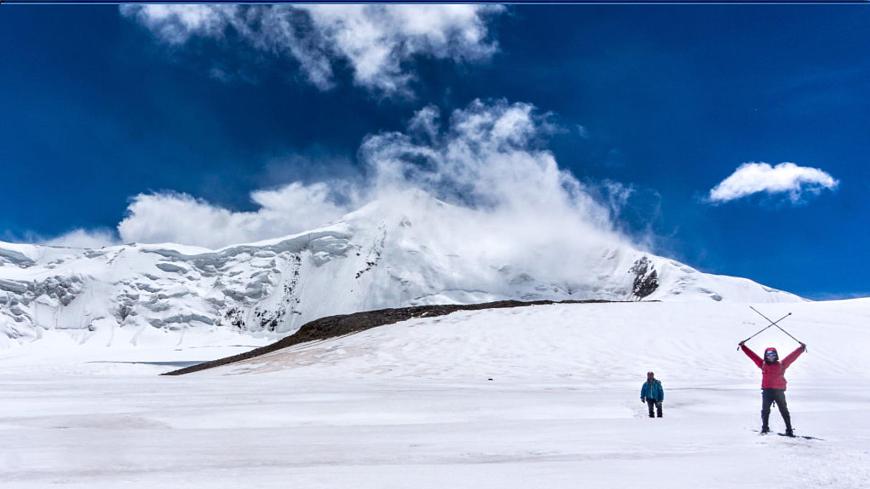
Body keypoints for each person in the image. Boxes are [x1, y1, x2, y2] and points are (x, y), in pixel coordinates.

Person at [739, 341, 806, 436]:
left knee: (784, 411)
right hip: (767, 391)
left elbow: (792, 357)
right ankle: (765, 428)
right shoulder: (762, 364)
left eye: (773, 355)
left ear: (776, 356)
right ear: (766, 356)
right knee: (765, 410)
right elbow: (752, 356)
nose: (771, 357)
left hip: (779, 392)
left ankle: (789, 430)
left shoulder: (782, 364)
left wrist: (801, 348)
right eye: (769, 355)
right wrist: (743, 347)